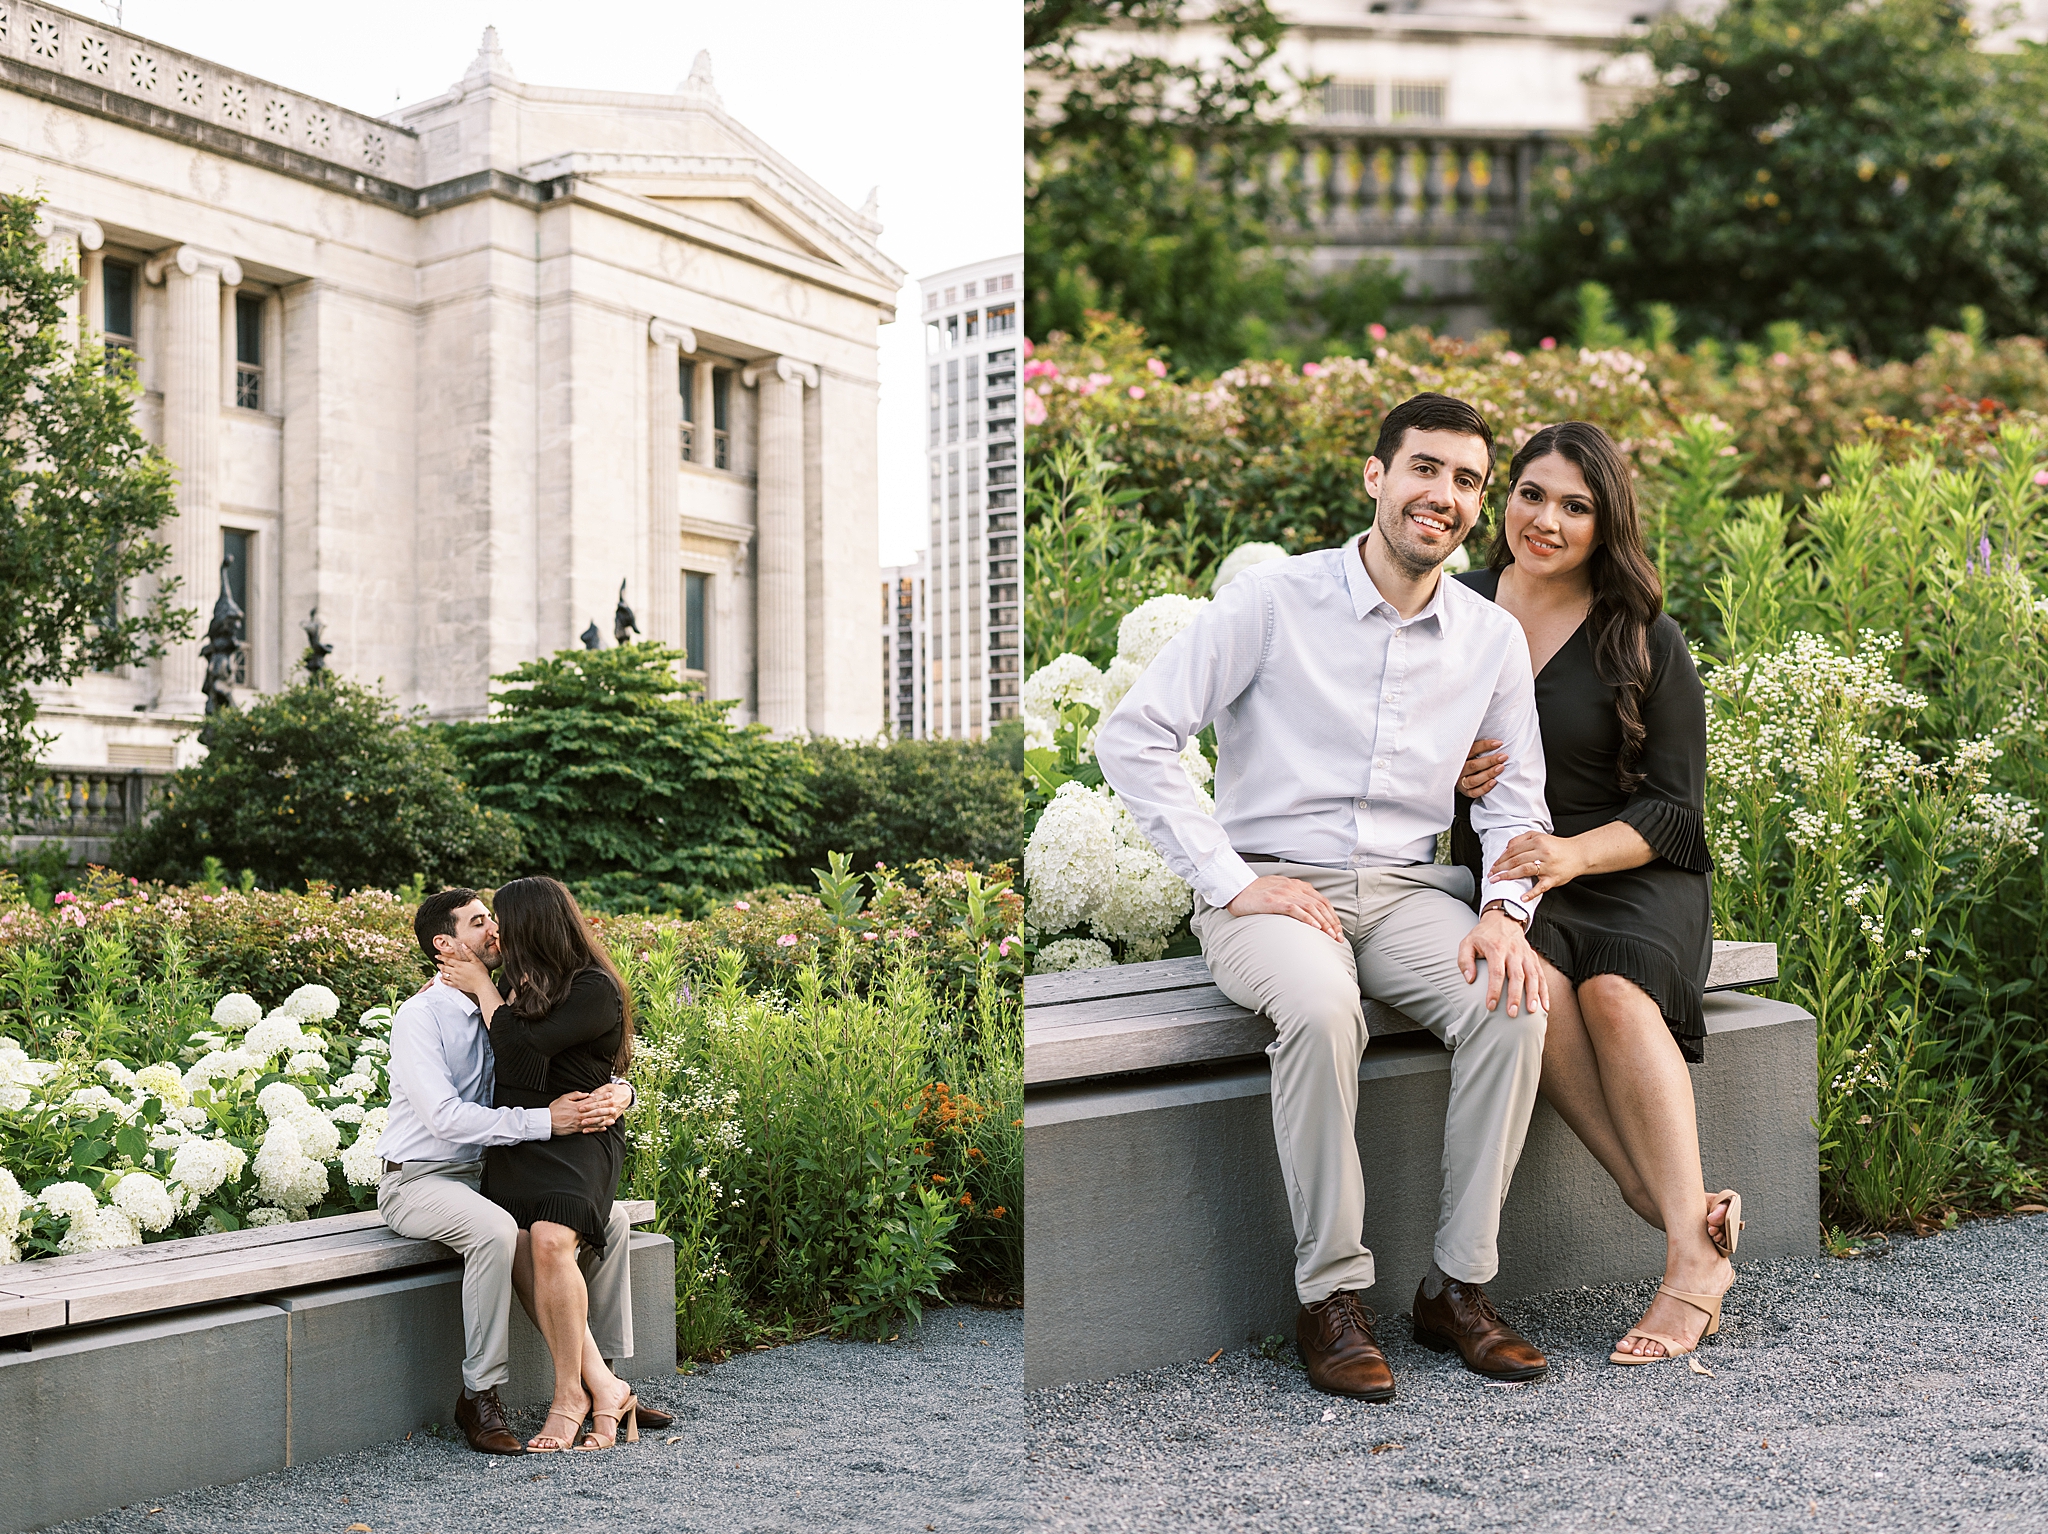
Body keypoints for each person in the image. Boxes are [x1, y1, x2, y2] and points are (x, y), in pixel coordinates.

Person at [1096, 392, 1557, 1401]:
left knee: (1512, 1000)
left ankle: (1455, 1289)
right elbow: (1131, 735)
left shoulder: (1488, 638)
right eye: (1424, 468)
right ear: (1375, 477)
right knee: (1316, 1006)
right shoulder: (1272, 602)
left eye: (1466, 480)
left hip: (1403, 892)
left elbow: (1517, 799)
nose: (1443, 495)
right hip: (1268, 893)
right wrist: (1232, 879)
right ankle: (1330, 1298)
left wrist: (1502, 914)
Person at [1450, 420, 1738, 1366]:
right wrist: (1443, 772)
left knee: (1615, 990)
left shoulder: (1643, 635)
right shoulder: (1452, 611)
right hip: (1511, 874)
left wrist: (1573, 856)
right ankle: (1674, 1213)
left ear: (1605, 524)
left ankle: (1688, 1269)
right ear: (1506, 498)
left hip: (1629, 874)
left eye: (1576, 506)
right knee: (1529, 980)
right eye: (1532, 493)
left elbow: (1677, 813)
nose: (1547, 519)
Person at [380, 887, 652, 1455]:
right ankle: (481, 1393)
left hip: (489, 1169)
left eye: (497, 920)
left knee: (614, 1221)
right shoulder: (422, 1015)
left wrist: (619, 1093)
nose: (495, 932)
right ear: (446, 944)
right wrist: (547, 1123)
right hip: (423, 1176)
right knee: (506, 1232)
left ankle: (604, 1380)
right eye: (481, 923)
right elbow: (450, 1119)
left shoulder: (508, 992)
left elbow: (576, 1057)